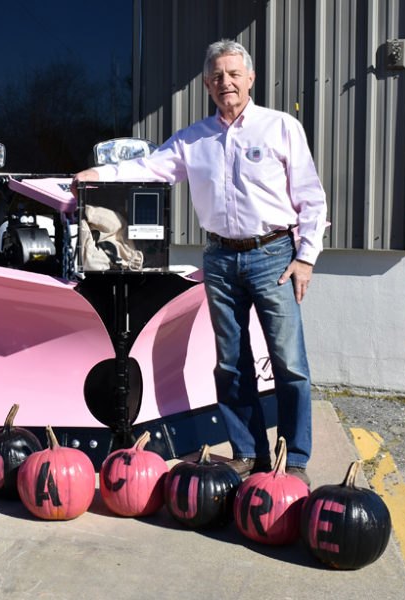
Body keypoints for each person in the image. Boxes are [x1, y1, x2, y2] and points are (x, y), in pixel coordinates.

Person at [71, 39, 327, 486]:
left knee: (289, 363)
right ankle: (248, 452)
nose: (226, 82)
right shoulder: (194, 139)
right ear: (207, 85)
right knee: (230, 363)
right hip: (221, 260)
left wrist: (305, 258)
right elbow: (151, 167)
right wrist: (100, 175)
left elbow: (311, 197)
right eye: (217, 77)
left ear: (250, 78)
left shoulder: (280, 127)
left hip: (273, 256)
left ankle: (295, 460)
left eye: (234, 74)